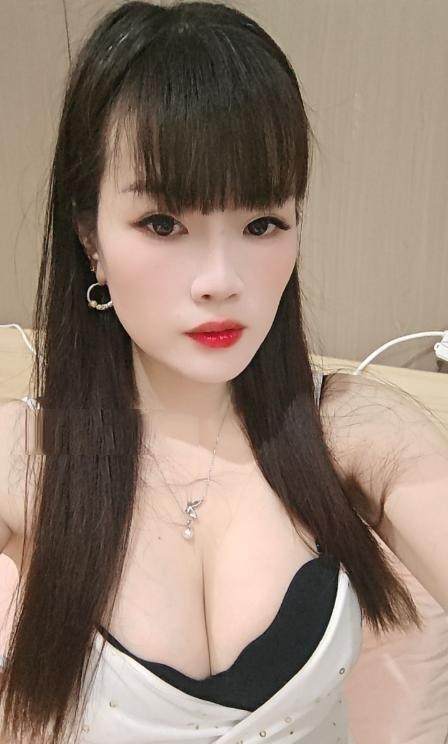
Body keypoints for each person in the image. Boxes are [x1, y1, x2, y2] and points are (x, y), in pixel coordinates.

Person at [2, 1, 445, 742]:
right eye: (164, 224)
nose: (220, 279)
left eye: (261, 223)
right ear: (90, 237)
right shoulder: (23, 457)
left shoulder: (359, 433)